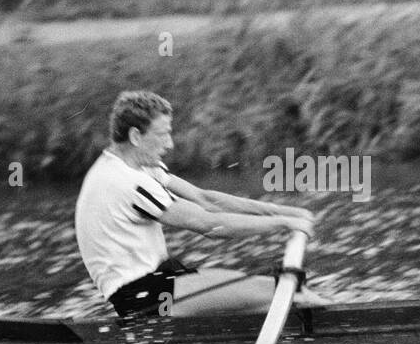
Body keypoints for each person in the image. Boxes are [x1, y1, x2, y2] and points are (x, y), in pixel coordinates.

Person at [76, 90, 320, 318]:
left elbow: (206, 199)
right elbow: (210, 226)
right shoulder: (126, 183)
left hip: (160, 281)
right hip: (144, 298)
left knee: (275, 293)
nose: (170, 144)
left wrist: (282, 211)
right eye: (162, 135)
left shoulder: (133, 165)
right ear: (135, 136)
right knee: (287, 292)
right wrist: (284, 224)